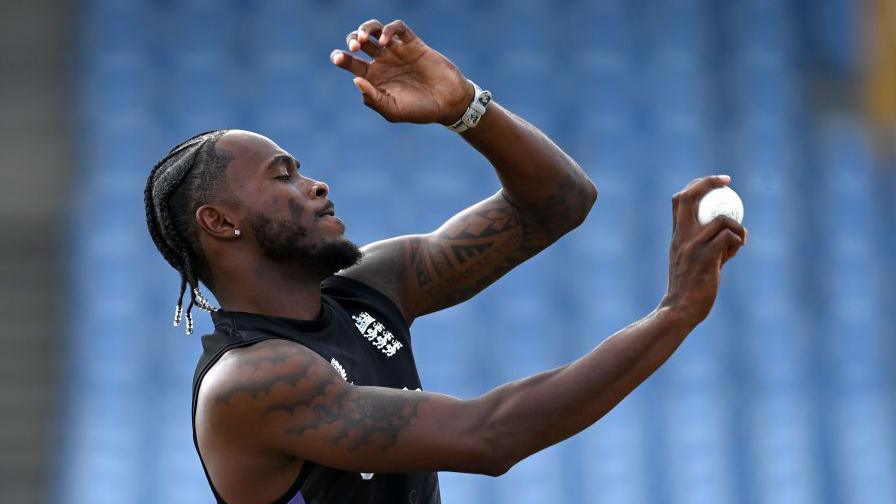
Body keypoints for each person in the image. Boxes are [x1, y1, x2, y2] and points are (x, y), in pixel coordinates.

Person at [143, 19, 747, 504]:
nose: (316, 185)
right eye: (284, 176)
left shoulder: (368, 285)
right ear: (220, 223)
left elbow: (559, 203)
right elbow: (489, 437)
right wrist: (674, 315)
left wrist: (466, 109)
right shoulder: (249, 384)